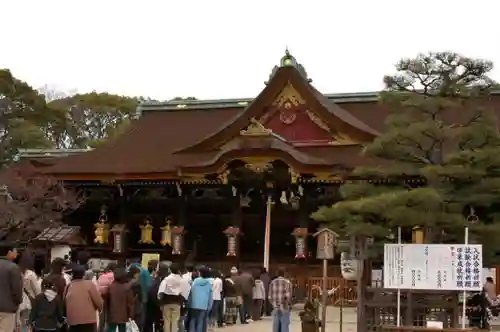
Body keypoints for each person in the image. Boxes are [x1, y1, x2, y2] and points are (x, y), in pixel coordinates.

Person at [64, 264, 103, 332]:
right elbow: (98, 301)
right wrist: (100, 309)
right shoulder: (90, 284)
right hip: (89, 320)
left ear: (72, 274)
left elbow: (64, 303)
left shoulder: (68, 286)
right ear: (84, 274)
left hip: (73, 321)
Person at [158, 263, 190, 332]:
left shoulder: (166, 279)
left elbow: (161, 292)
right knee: (175, 321)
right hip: (177, 303)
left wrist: (160, 301)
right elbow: (186, 291)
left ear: (170, 270)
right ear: (178, 270)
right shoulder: (182, 280)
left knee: (166, 321)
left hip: (166, 302)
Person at [0, 245, 23, 332]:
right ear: (9, 252)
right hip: (7, 309)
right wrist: (17, 302)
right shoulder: (13, 267)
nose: (17, 253)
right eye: (15, 251)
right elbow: (17, 291)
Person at [19, 251, 42, 332]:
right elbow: (38, 291)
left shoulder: (14, 272)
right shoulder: (31, 274)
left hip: (16, 304)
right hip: (28, 304)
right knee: (26, 326)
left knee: (18, 326)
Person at [145, 263, 170, 332]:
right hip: (159, 303)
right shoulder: (161, 278)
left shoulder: (162, 280)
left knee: (158, 322)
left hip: (158, 303)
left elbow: (153, 291)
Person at [188, 267, 213, 332]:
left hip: (194, 304)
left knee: (193, 320)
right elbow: (210, 296)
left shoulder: (195, 281)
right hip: (204, 305)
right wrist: (209, 306)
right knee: (200, 321)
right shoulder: (209, 283)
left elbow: (191, 291)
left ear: (200, 273)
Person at [268, 267, 292, 332]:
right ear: (284, 273)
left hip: (275, 308)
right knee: (284, 326)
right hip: (284, 307)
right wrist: (284, 304)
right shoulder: (287, 282)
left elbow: (269, 297)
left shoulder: (272, 282)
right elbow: (288, 296)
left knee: (276, 327)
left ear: (277, 273)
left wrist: (274, 305)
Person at [98, 262, 117, 332]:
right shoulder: (114, 276)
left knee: (102, 316)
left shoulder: (102, 275)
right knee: (109, 317)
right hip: (111, 298)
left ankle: (100, 329)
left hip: (102, 297)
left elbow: (98, 287)